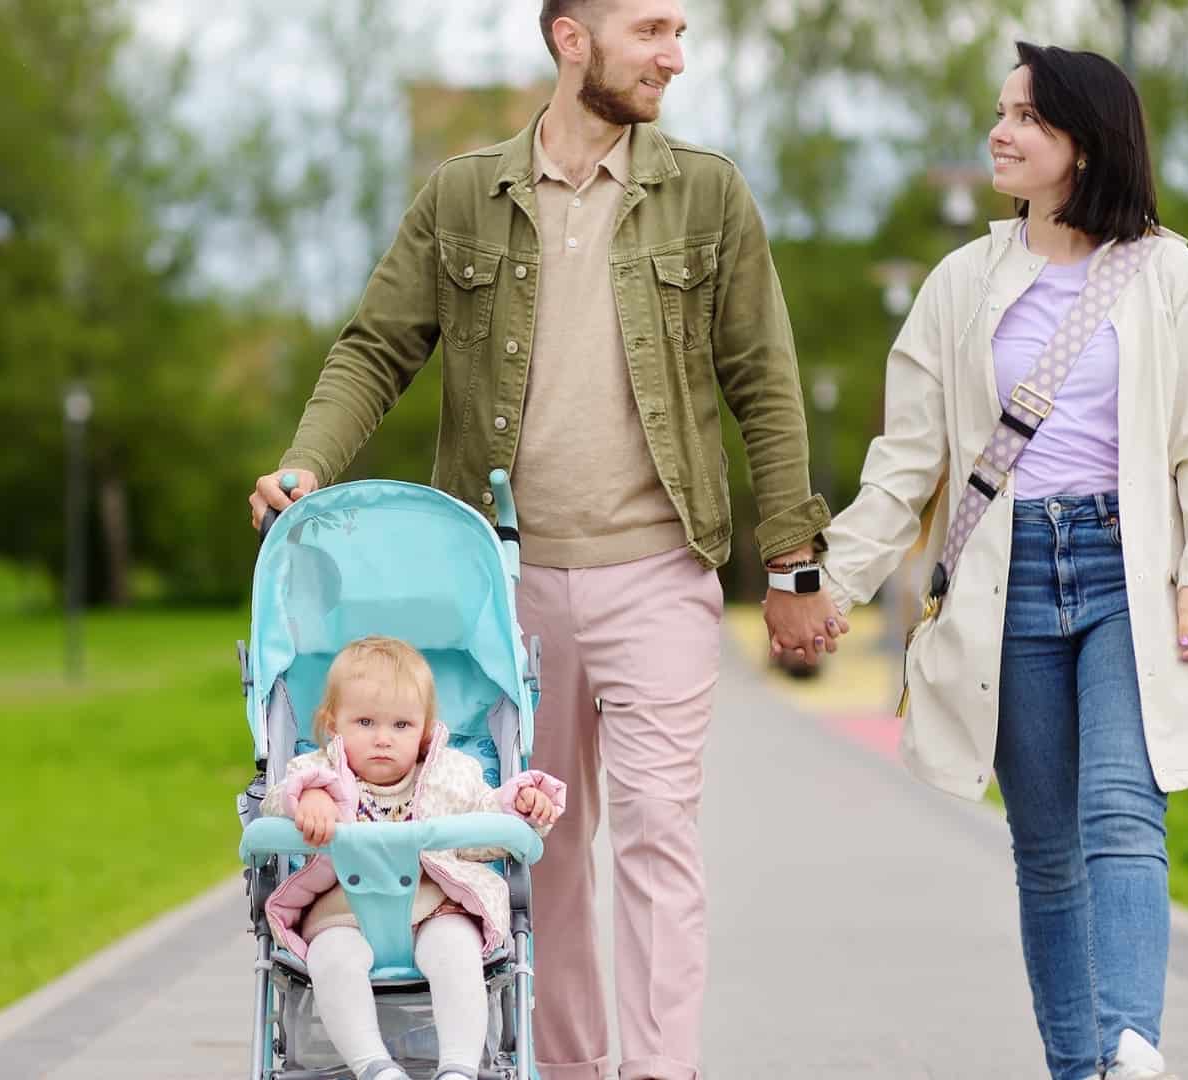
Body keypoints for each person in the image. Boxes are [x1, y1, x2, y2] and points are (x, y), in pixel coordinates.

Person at [248, 3, 843, 1076]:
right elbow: (376, 346)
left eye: (679, 32)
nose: (673, 53)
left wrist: (795, 560)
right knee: (535, 844)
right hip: (503, 589)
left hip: (658, 568)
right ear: (571, 39)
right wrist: (308, 465)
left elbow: (764, 379)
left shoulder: (704, 194)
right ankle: (565, 1067)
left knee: (659, 829)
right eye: (650, 29)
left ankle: (660, 1071)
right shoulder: (463, 198)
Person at [820, 43, 1188, 1080]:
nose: (998, 133)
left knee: (1119, 810)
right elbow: (907, 461)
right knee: (1045, 853)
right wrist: (826, 584)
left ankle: (1129, 1052)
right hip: (1004, 578)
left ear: (1084, 144)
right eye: (1000, 112)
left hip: (1122, 571)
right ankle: (1080, 1067)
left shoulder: (1166, 273)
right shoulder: (960, 284)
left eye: (1025, 118)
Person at [257, 636, 566, 1080]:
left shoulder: (450, 774)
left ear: (424, 730)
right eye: (365, 722)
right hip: (342, 909)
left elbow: (485, 826)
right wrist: (306, 801)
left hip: (436, 903)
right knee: (331, 959)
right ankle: (374, 1067)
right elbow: (272, 803)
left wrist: (521, 807)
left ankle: (459, 1067)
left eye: (401, 725)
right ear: (332, 725)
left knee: (457, 949)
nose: (383, 738)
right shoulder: (317, 770)